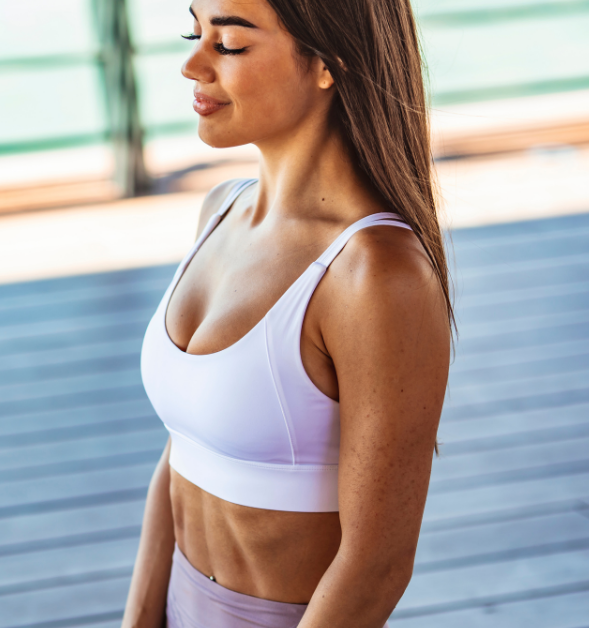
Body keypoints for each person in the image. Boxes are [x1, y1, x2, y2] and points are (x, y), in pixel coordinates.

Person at [121, 1, 452, 626]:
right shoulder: (220, 211)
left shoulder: (376, 272)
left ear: (330, 63)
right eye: (195, 33)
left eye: (230, 45)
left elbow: (376, 562)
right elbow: (180, 453)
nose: (192, 64)